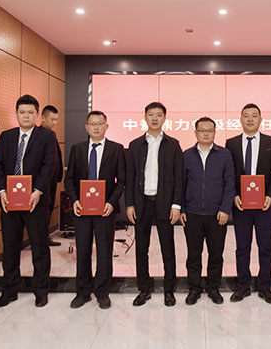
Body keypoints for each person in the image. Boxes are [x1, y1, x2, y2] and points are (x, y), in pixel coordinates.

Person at [0, 94, 56, 308]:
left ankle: (41, 291)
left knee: (39, 246)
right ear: (16, 114)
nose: (26, 116)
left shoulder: (46, 136)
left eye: (30, 112)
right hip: (9, 201)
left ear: (37, 115)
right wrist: (1, 191)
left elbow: (49, 165)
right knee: (10, 247)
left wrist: (38, 190)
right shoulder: (6, 136)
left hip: (35, 201)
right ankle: (9, 291)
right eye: (22, 112)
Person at [65, 111, 125, 310]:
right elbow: (69, 179)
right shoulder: (77, 149)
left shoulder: (116, 149)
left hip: (105, 209)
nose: (96, 127)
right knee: (82, 250)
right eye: (92, 124)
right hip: (82, 209)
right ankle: (82, 292)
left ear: (106, 126)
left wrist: (111, 202)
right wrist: (74, 200)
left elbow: (121, 180)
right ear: (86, 127)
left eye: (100, 124)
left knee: (104, 252)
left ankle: (102, 292)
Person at [126, 102, 183, 307]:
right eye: (151, 115)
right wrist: (130, 204)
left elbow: (179, 177)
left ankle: (169, 289)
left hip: (164, 203)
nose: (155, 118)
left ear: (165, 118)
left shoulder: (173, 144)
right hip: (141, 203)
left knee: (168, 248)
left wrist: (176, 205)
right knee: (141, 248)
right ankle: (144, 289)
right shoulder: (135, 145)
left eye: (159, 115)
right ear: (145, 117)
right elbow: (130, 177)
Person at [225, 103, 271, 304]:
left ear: (260, 119)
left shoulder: (270, 141)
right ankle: (243, 286)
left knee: (265, 246)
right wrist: (234, 195)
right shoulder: (231, 143)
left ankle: (265, 287)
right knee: (242, 247)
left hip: (264, 204)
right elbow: (228, 173)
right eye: (246, 116)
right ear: (240, 119)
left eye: (254, 115)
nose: (250, 119)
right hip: (241, 204)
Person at [180, 117, 235, 305]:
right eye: (202, 130)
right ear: (195, 133)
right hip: (192, 213)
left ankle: (213, 287)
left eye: (209, 130)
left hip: (217, 214)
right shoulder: (187, 155)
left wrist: (225, 209)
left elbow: (230, 184)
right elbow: (181, 184)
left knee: (216, 254)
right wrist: (182, 208)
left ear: (214, 132)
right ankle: (194, 288)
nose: (206, 133)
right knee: (193, 254)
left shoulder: (224, 155)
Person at [40, 105, 63, 247]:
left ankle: (45, 237)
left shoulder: (51, 134)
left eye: (56, 120)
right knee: (44, 211)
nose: (54, 122)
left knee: (49, 209)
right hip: (44, 181)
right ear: (43, 118)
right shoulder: (39, 135)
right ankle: (42, 239)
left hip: (52, 180)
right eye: (51, 119)